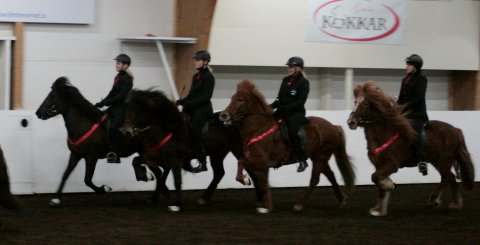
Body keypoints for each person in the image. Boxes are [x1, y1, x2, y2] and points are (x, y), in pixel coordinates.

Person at [176, 50, 215, 173]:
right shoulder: (195, 76)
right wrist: (182, 101)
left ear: (205, 62)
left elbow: (206, 97)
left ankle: (202, 161)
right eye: (196, 60)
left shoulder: (209, 77)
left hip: (203, 108)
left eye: (198, 60)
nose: (195, 62)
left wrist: (190, 103)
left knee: (195, 129)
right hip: (193, 107)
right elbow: (192, 94)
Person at [270, 56, 310, 172]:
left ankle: (302, 159)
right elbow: (279, 98)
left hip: (295, 113)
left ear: (299, 68)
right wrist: (270, 106)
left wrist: (283, 108)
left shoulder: (304, 82)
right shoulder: (285, 80)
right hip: (282, 111)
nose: (289, 69)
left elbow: (300, 102)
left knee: (292, 133)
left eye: (291, 67)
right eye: (289, 67)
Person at [95, 54, 133, 163]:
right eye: (116, 63)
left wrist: (106, 102)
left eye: (118, 63)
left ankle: (115, 153)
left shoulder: (128, 79)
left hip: (121, 109)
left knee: (113, 128)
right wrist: (102, 103)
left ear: (125, 66)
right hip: (113, 108)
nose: (116, 65)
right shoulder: (118, 77)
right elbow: (112, 92)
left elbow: (121, 96)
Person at [397, 54, 429, 175]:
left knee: (415, 132)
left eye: (409, 64)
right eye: (407, 64)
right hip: (405, 113)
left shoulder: (422, 79)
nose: (406, 67)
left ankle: (422, 160)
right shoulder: (405, 80)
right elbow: (401, 98)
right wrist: (396, 108)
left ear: (415, 67)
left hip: (417, 114)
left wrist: (404, 107)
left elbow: (419, 98)